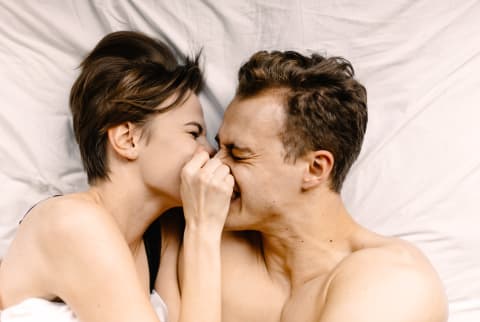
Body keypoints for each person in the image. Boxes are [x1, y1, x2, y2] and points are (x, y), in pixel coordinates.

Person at [161, 50, 449, 322]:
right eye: (218, 147)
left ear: (315, 169)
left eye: (238, 154)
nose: (213, 167)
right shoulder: (195, 236)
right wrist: (201, 234)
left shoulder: (393, 279)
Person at [0, 31, 233, 322]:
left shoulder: (163, 235)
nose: (210, 151)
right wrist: (204, 230)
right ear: (128, 139)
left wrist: (200, 230)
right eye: (193, 133)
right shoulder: (73, 223)